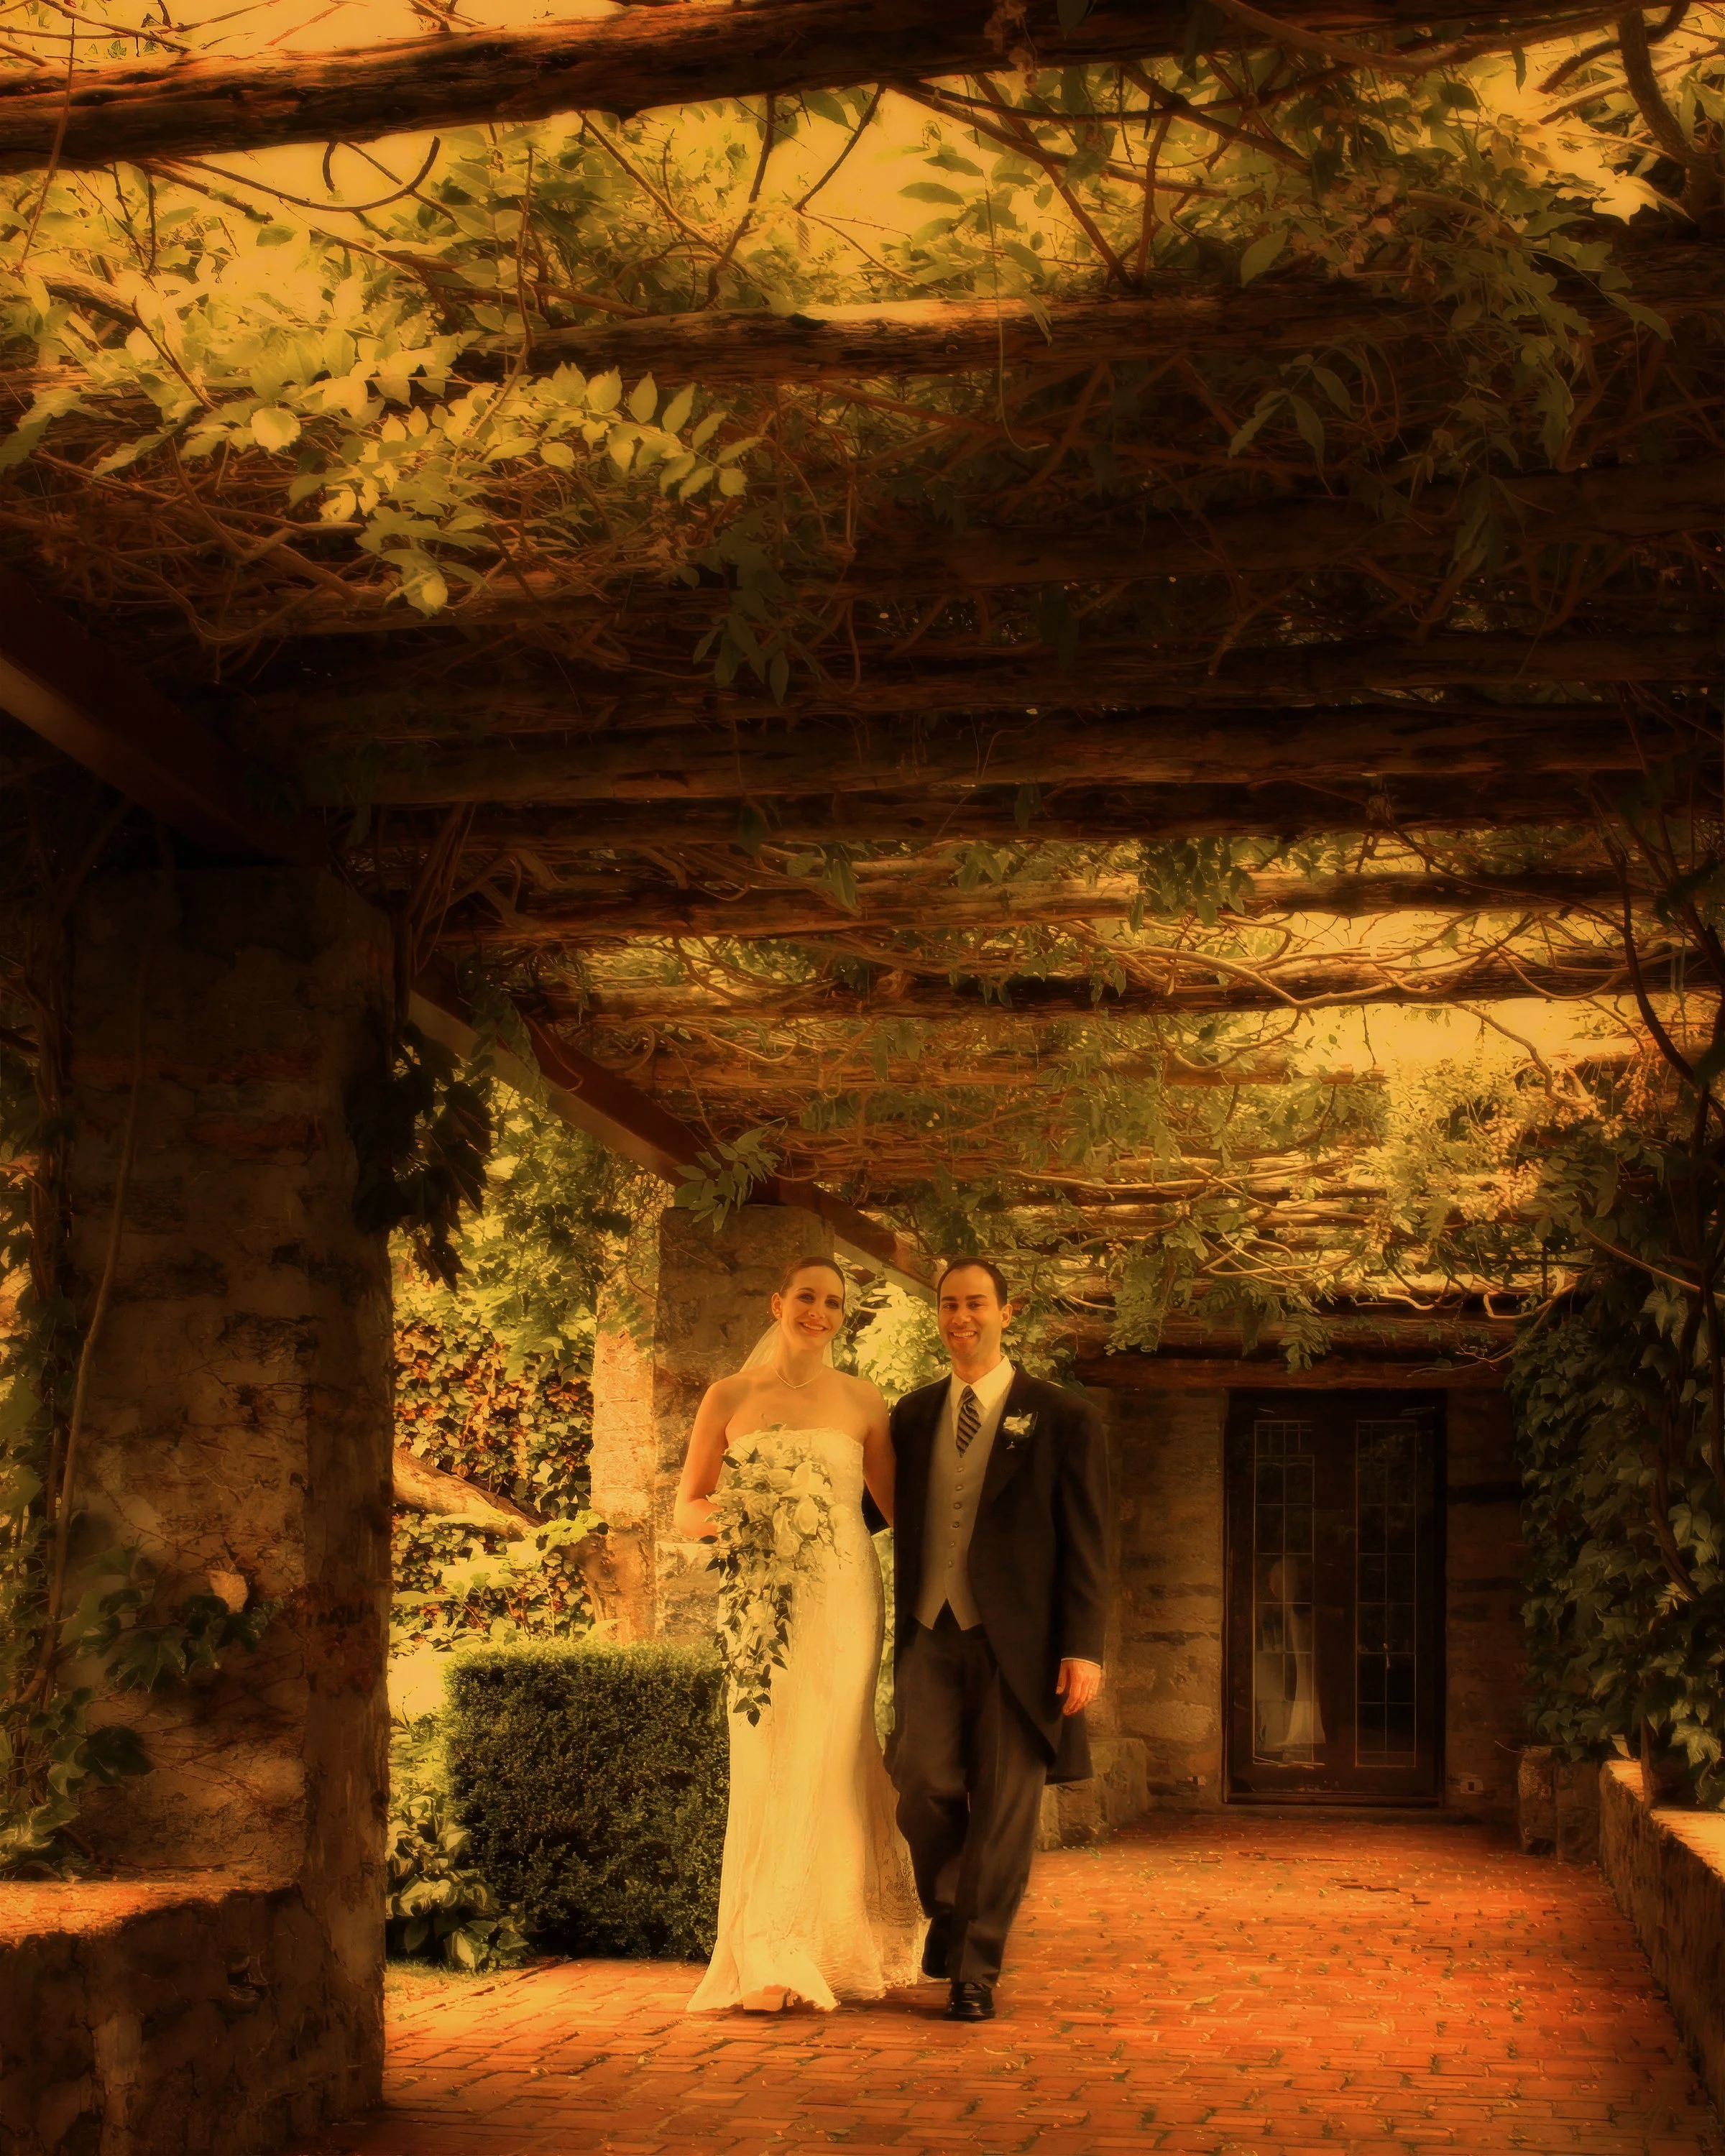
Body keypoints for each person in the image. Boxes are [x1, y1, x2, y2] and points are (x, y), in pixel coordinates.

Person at [676, 1254, 924, 2014]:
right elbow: (688, 1508)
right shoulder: (729, 1395)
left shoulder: (863, 1399)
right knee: (769, 1757)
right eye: (807, 1297)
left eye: (834, 1303)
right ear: (777, 1302)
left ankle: (831, 1940)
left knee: (836, 1752)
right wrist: (747, 1518)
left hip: (845, 1595)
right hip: (760, 1603)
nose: (819, 1312)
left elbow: (899, 1511)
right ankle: (766, 1951)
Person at [888, 1258, 1110, 2023]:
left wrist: (1084, 1646)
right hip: (930, 1631)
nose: (962, 1318)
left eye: (976, 1304)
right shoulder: (913, 1415)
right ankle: (950, 1912)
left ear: (1006, 1313)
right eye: (950, 1305)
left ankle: (975, 1971)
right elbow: (868, 1507)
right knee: (922, 1786)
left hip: (1023, 1644)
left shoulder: (1063, 1417)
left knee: (1006, 1810)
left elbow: (1088, 1540)